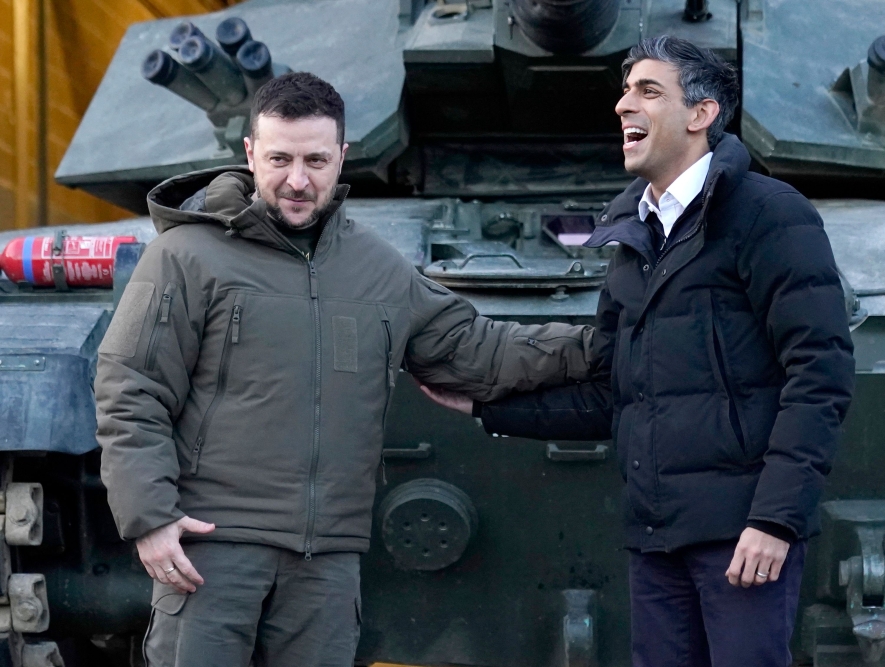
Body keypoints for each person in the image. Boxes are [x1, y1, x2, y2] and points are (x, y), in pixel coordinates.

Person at [94, 71, 594, 667]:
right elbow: (132, 388)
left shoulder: (376, 268)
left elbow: (476, 349)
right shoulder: (184, 257)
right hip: (212, 549)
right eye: (279, 158)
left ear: (342, 158)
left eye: (316, 160)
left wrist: (600, 344)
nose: (298, 181)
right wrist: (150, 518)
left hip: (325, 563)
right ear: (250, 152)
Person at [421, 36, 856, 667]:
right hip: (657, 535)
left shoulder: (768, 214)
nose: (625, 105)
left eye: (648, 91)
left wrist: (776, 519)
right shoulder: (634, 235)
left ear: (700, 114)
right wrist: (487, 409)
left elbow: (820, 373)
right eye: (625, 91)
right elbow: (617, 392)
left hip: (742, 533)